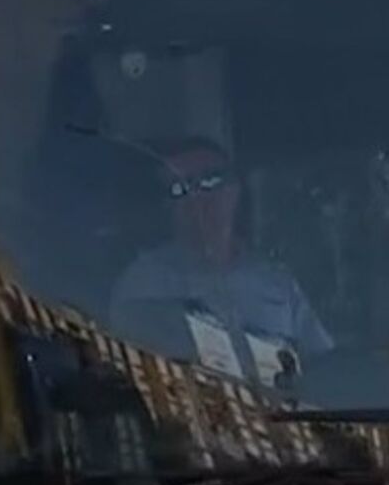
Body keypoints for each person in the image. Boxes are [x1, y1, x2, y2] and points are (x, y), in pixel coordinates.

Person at [109, 137, 331, 386]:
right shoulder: (143, 283)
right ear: (167, 206)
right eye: (180, 188)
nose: (197, 197)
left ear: (236, 190)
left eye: (211, 181)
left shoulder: (277, 283)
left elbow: (322, 368)